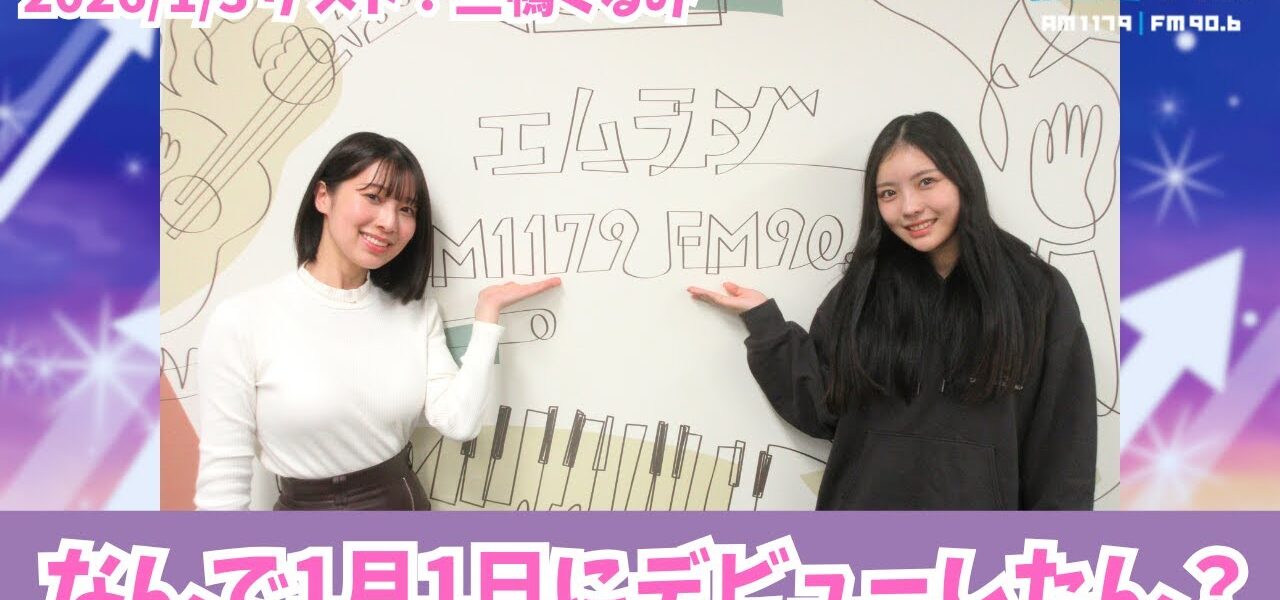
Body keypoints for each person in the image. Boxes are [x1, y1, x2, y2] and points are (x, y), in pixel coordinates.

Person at [688, 112, 1096, 510]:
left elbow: (1064, 446)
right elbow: (820, 405)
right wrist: (764, 320)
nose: (909, 207)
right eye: (888, 193)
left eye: (926, 182)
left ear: (962, 179)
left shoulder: (1036, 292)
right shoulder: (863, 289)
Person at [195, 132, 560, 510]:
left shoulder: (416, 314)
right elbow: (222, 486)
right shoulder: (243, 320)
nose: (389, 222)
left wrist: (487, 315)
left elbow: (459, 422)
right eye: (373, 197)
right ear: (323, 196)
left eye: (407, 209)